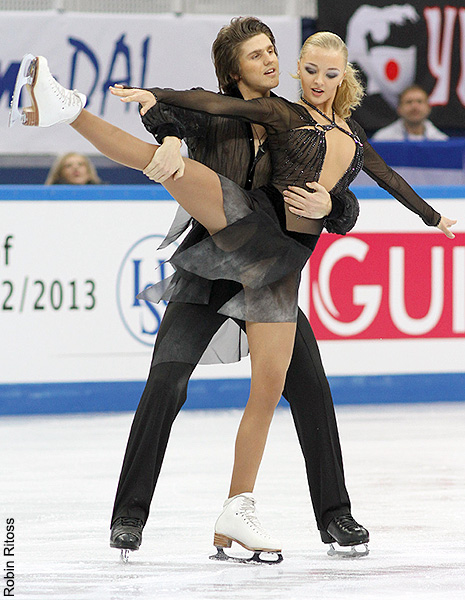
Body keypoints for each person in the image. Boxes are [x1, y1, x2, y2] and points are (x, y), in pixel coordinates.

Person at [10, 29, 455, 562]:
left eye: (272, 51)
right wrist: (165, 122)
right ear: (234, 67)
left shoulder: (293, 115)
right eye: (258, 55)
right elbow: (177, 110)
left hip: (269, 261)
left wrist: (335, 207)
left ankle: (328, 516)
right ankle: (131, 515)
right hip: (213, 266)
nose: (272, 61)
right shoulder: (228, 111)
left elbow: (360, 189)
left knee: (307, 392)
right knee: (166, 385)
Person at [372, 85, 448, 141]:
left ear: (428, 108)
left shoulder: (440, 140)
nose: (414, 107)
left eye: (419, 101)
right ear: (399, 109)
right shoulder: (382, 139)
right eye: (409, 102)